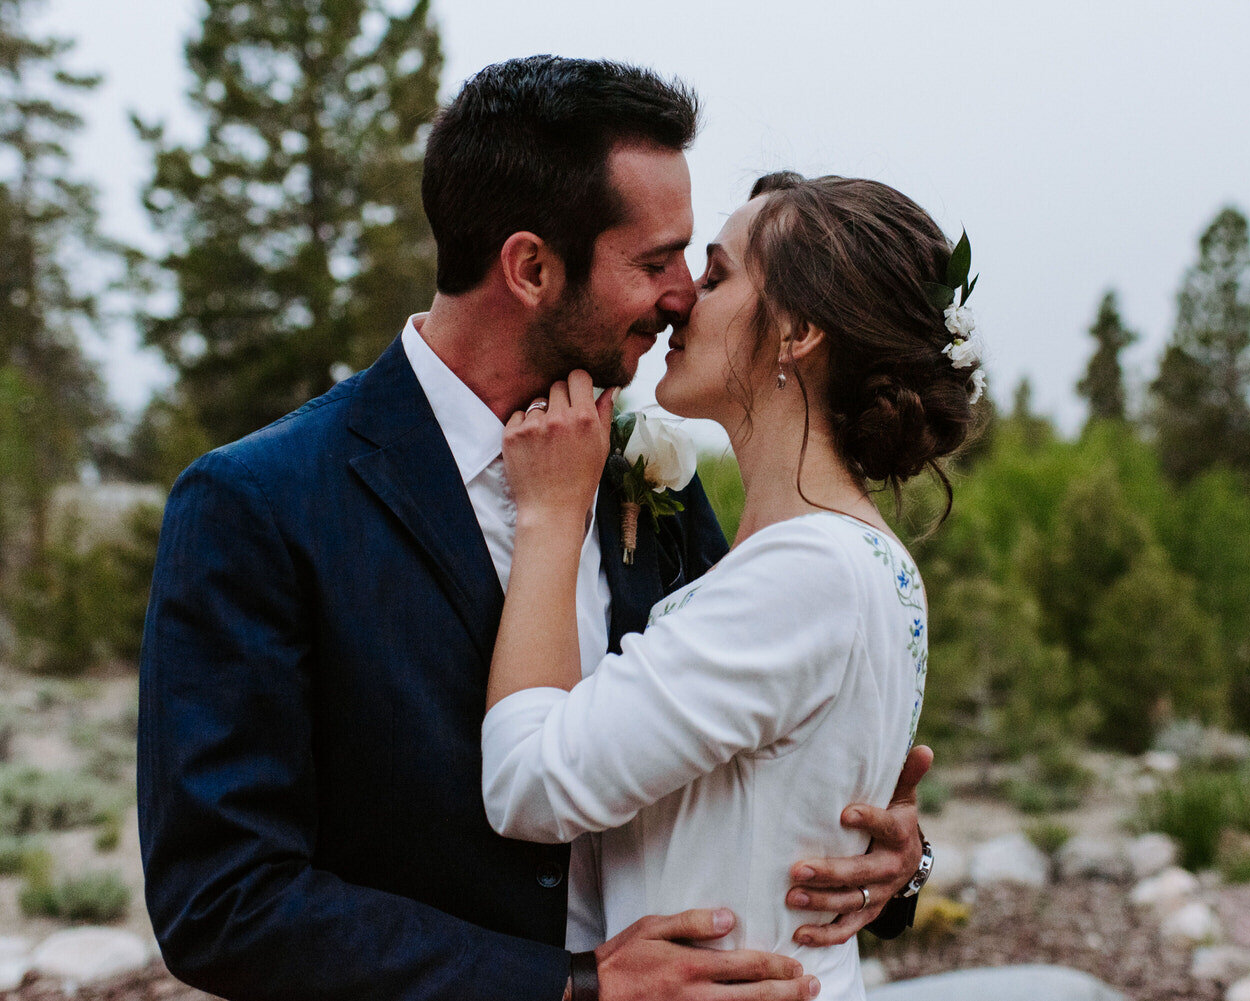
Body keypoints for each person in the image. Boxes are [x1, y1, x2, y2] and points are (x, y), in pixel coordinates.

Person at [137, 58, 932, 1001]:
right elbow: (222, 900)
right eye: (653, 261)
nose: (681, 293)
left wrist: (890, 856)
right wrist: (570, 985)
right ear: (530, 268)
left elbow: (741, 751)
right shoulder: (260, 504)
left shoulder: (651, 479)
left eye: (693, 261)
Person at [481, 170, 981, 999]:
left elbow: (529, 782)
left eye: (716, 275)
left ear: (798, 331)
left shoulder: (808, 571)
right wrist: (905, 854)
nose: (682, 300)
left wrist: (550, 518)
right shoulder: (865, 558)